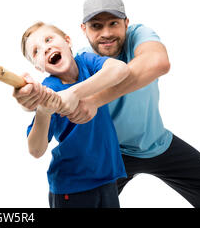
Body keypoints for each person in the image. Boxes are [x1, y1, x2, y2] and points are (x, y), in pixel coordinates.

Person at [14, 0, 200, 207]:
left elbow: (157, 63)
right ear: (84, 30)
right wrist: (34, 103)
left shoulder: (133, 38)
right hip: (111, 157)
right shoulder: (79, 60)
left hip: (157, 144)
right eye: (96, 26)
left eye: (113, 23)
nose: (106, 33)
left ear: (126, 23)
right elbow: (50, 103)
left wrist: (91, 100)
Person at [20, 21, 129, 208]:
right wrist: (44, 111)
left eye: (48, 39)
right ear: (38, 68)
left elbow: (120, 69)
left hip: (107, 178)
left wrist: (75, 93)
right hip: (72, 188)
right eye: (36, 51)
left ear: (67, 41)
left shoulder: (87, 62)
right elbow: (36, 150)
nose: (45, 48)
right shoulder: (50, 90)